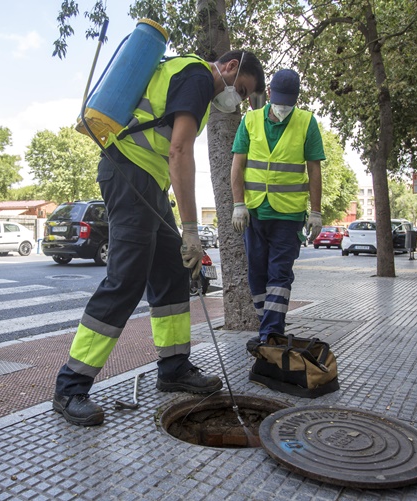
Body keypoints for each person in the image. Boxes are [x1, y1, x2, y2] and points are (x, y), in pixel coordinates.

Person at [53, 50, 266, 427]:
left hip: (147, 182)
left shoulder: (188, 75)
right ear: (231, 68)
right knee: (126, 280)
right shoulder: (200, 78)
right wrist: (190, 227)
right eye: (244, 90)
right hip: (129, 173)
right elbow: (179, 149)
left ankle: (173, 367)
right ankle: (71, 386)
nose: (239, 102)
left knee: (170, 271)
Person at [230, 69, 324, 342]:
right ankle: (267, 329)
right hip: (255, 213)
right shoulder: (251, 120)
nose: (283, 107)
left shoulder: (307, 122)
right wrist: (239, 204)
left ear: (296, 99)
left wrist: (316, 212)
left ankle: (271, 335)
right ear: (269, 94)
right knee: (257, 277)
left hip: (289, 215)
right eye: (279, 100)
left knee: (279, 276)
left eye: (289, 102)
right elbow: (238, 165)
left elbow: (314, 170)